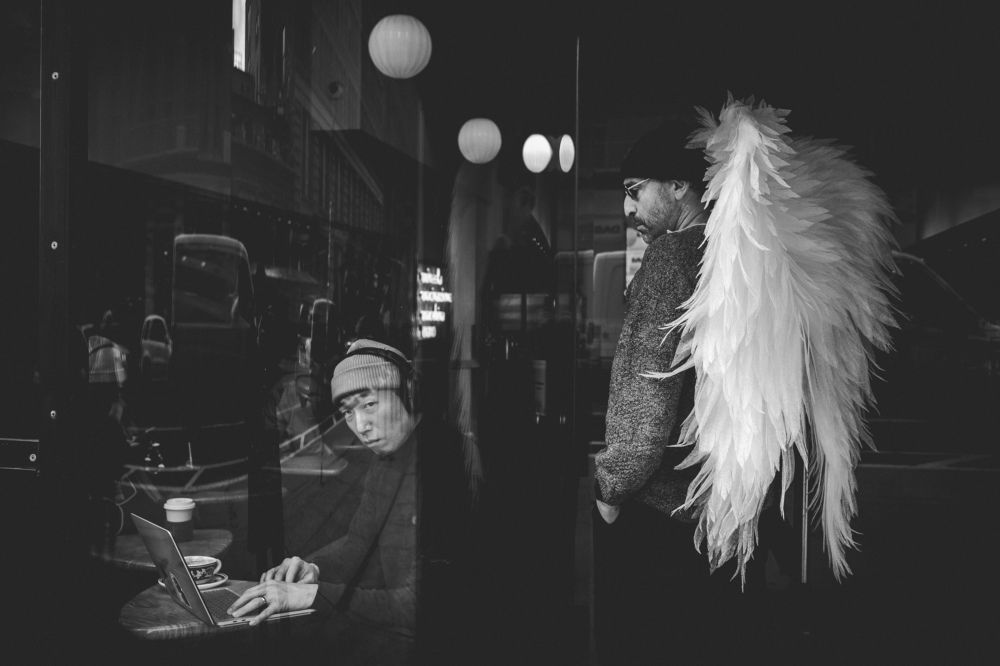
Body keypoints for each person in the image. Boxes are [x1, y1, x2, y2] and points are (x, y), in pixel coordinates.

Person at [592, 120, 778, 665]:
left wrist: (610, 487)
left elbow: (645, 394)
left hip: (667, 518)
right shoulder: (740, 256)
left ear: (679, 186)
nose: (627, 208)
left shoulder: (671, 257)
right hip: (733, 511)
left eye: (635, 191)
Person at [228, 338, 472, 662]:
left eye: (369, 404)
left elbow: (421, 606)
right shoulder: (387, 459)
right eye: (348, 412)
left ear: (410, 393)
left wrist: (312, 595)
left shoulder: (443, 467)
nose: (360, 426)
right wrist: (313, 568)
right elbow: (358, 543)